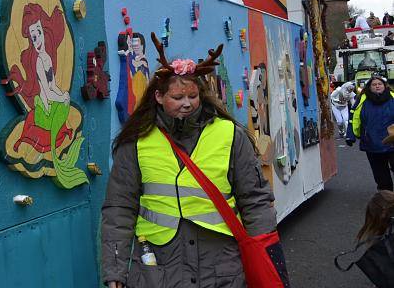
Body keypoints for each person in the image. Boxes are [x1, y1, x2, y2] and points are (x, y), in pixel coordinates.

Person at [101, 35, 280, 288]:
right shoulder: (136, 140)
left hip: (221, 269)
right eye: (177, 97)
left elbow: (255, 200)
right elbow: (119, 208)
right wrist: (115, 271)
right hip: (159, 271)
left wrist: (267, 258)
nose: (187, 104)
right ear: (158, 96)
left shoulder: (230, 134)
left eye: (193, 96)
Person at [348, 75, 394, 191]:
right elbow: (354, 118)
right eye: (374, 84)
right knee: (381, 175)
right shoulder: (363, 100)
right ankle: (386, 197)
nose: (377, 86)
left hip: (392, 140)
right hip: (372, 142)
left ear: (385, 86)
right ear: (369, 87)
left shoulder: (392, 97)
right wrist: (351, 135)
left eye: (379, 84)